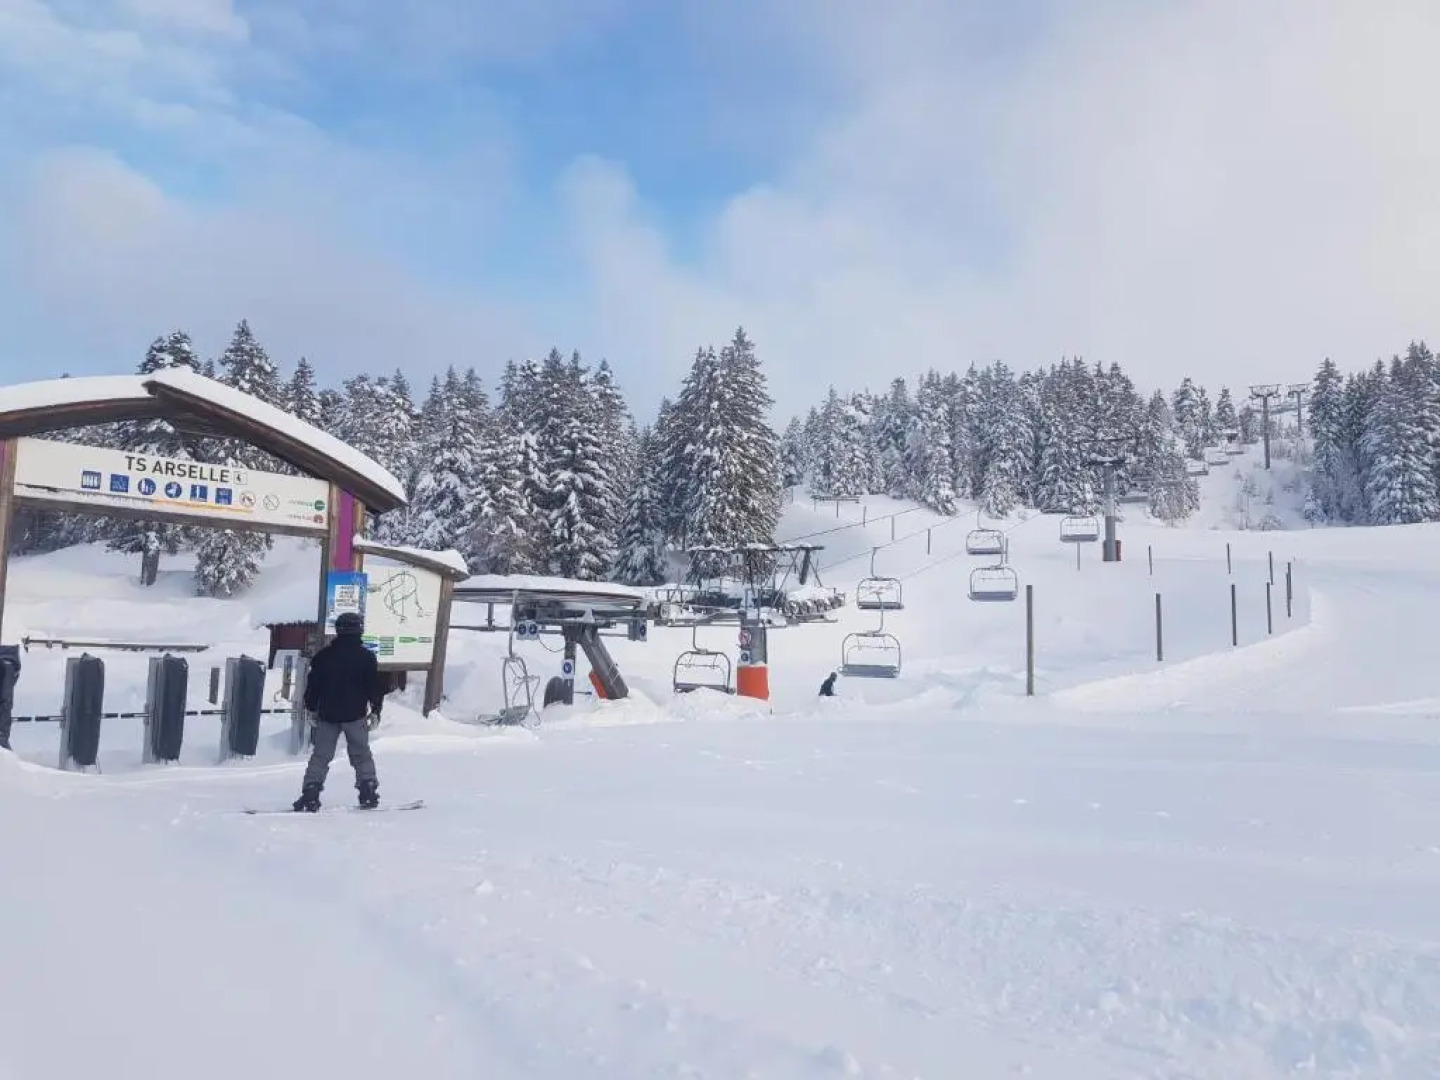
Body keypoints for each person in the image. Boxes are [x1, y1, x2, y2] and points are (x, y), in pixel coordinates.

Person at [293, 611, 385, 811]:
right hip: (356, 715)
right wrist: (376, 709)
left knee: (321, 756)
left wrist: (310, 707)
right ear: (359, 630)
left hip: (328, 715)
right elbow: (374, 686)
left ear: (338, 630)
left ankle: (311, 792)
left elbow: (313, 686)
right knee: (361, 754)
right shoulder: (366, 658)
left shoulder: (323, 657)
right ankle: (368, 790)